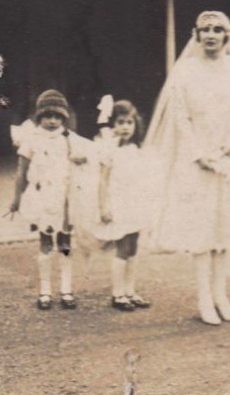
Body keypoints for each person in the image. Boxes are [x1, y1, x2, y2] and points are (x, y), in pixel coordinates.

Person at [145, 11, 230, 325]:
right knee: (202, 231)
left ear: (227, 35)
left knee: (226, 230)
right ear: (196, 35)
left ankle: (221, 295)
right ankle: (204, 299)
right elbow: (180, 117)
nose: (211, 35)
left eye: (217, 30)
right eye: (205, 30)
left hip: (227, 158)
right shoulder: (185, 70)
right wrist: (200, 153)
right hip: (196, 161)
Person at [8, 89, 96, 311]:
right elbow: (22, 172)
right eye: (47, 116)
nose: (52, 121)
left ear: (63, 118)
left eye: (57, 116)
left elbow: (93, 154)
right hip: (41, 200)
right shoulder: (31, 140)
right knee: (46, 243)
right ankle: (45, 291)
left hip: (65, 200)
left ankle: (66, 290)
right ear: (39, 117)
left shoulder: (69, 139)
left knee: (65, 243)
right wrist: (16, 198)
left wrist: (83, 158)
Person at [92, 99, 153, 312]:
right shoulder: (110, 151)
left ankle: (130, 290)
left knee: (134, 246)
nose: (125, 127)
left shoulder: (137, 149)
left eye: (129, 122)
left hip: (135, 203)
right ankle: (117, 294)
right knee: (123, 247)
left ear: (136, 125)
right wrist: (103, 207)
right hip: (118, 204)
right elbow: (102, 179)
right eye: (120, 122)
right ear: (113, 125)